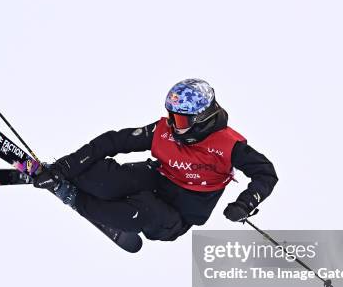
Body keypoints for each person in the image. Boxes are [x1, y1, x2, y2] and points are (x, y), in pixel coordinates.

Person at [34, 78, 278, 241]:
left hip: (178, 213)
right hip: (158, 179)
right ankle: (66, 178)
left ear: (202, 118)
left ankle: (77, 198)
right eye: (171, 116)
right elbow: (114, 141)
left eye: (180, 121)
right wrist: (66, 166)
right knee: (103, 178)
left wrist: (245, 204)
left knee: (137, 212)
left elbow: (265, 173)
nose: (172, 125)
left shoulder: (229, 145)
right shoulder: (164, 131)